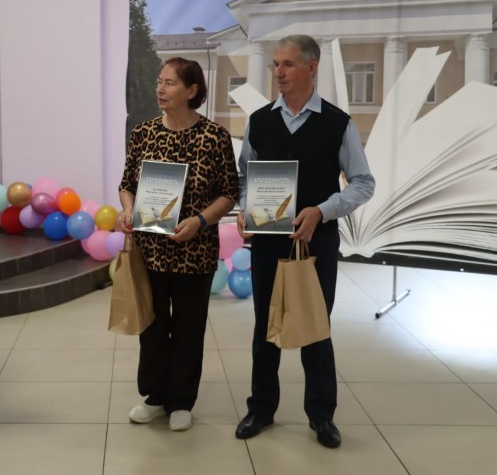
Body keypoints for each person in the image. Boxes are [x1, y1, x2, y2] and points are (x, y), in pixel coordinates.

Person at [234, 35, 375, 448]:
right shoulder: (259, 121)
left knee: (316, 326)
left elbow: (363, 183)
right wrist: (244, 208)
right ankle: (261, 408)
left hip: (318, 241)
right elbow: (245, 177)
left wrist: (322, 211)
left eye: (287, 64)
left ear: (311, 68)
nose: (278, 72)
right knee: (266, 326)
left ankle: (321, 415)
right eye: (275, 64)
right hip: (268, 241)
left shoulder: (337, 123)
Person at [118, 57, 238, 432]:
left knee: (189, 327)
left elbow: (229, 193)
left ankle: (182, 400)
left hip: (194, 250)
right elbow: (127, 185)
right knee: (152, 326)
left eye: (169, 83)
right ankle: (156, 397)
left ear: (192, 90)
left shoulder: (214, 136)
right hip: (151, 250)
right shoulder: (143, 133)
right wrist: (127, 210)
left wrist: (200, 220)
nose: (160, 88)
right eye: (159, 81)